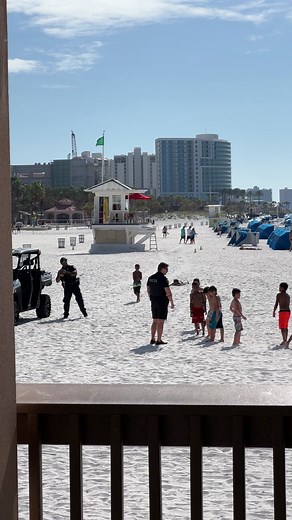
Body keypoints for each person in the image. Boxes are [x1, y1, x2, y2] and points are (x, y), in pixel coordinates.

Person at [147, 262, 174, 345]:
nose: (167, 271)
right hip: (162, 301)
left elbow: (148, 289)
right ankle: (159, 339)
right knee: (160, 321)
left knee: (154, 320)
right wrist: (172, 302)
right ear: (162, 269)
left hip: (154, 300)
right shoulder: (163, 279)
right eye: (166, 269)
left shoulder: (151, 277)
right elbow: (168, 291)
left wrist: (151, 297)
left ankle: (152, 338)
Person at [273, 282, 290, 346]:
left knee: (282, 327)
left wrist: (274, 311)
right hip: (288, 312)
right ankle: (286, 339)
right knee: (285, 326)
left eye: (280, 287)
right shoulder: (288, 296)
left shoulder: (279, 295)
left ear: (282, 288)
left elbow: (276, 304)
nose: (279, 288)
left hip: (282, 311)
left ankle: (284, 340)